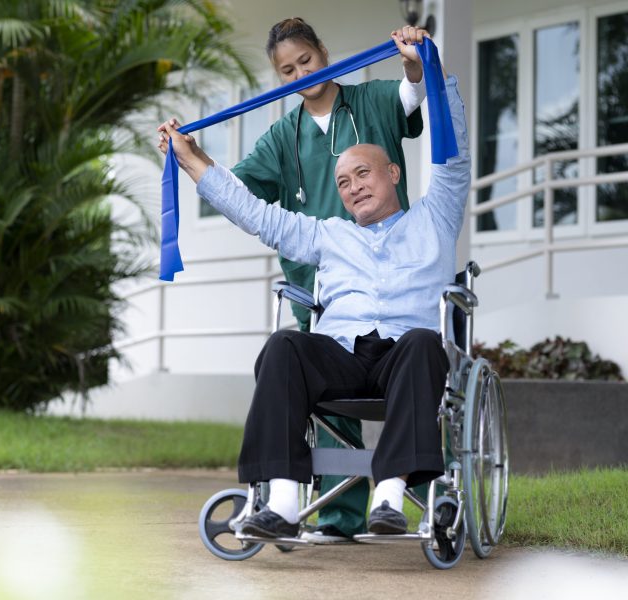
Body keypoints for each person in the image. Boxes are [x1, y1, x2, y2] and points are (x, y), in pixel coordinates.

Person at [161, 36, 470, 538]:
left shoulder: (434, 219)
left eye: (363, 174)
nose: (352, 187)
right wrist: (191, 159)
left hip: (406, 356)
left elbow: (453, 159)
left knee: (421, 341)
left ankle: (389, 496)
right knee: (284, 345)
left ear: (393, 172)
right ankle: (283, 501)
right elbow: (258, 215)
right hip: (344, 354)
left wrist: (426, 67)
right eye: (343, 182)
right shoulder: (329, 234)